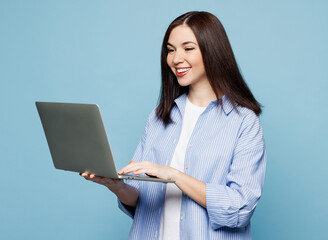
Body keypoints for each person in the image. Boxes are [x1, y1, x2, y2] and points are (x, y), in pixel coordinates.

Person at [80, 11, 266, 240]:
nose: (176, 58)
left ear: (213, 51)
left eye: (188, 48)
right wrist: (117, 187)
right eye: (170, 50)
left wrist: (173, 175)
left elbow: (240, 208)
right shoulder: (158, 118)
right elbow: (142, 200)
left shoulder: (243, 122)